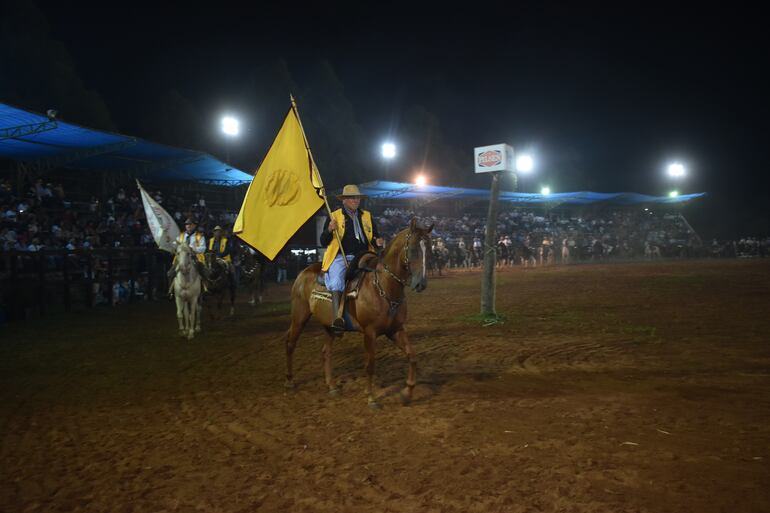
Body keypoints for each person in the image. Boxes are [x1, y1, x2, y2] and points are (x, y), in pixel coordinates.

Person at [320, 184, 383, 332]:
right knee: (336, 280)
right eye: (352, 198)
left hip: (366, 254)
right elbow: (323, 241)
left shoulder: (367, 215)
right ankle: (337, 318)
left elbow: (374, 236)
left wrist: (377, 241)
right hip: (343, 257)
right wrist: (329, 230)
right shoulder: (334, 216)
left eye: (357, 198)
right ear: (344, 200)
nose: (355, 200)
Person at [167, 218, 207, 297]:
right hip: (181, 258)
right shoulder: (181, 236)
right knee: (170, 273)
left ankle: (204, 290)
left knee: (203, 272)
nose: (188, 226)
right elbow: (175, 245)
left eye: (190, 224)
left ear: (194, 226)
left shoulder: (199, 236)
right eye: (187, 224)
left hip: (194, 257)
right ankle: (171, 291)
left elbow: (203, 248)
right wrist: (169, 242)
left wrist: (193, 249)